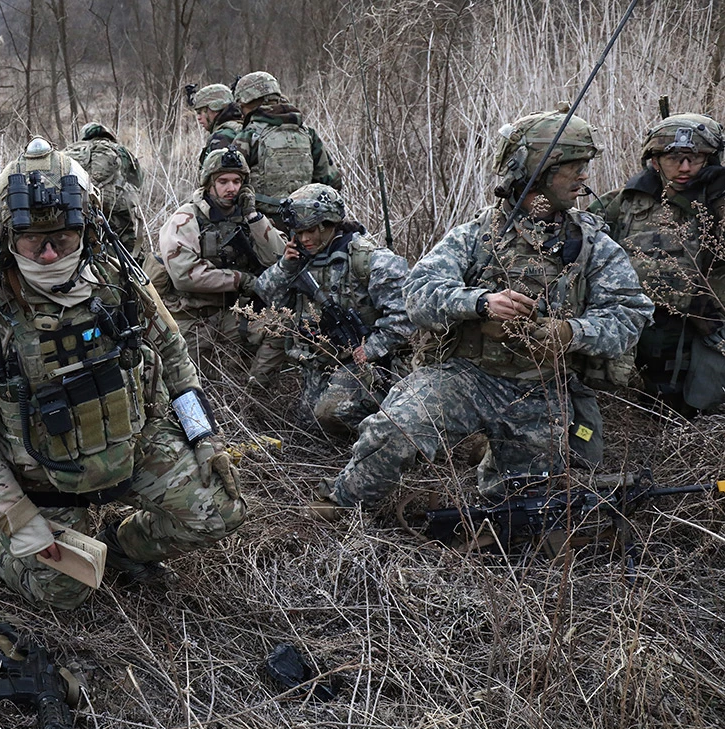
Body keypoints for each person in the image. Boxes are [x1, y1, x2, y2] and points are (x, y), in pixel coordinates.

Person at [0, 138, 244, 610]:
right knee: (67, 592)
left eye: (62, 239)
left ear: (88, 230)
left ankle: (122, 548)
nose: (46, 254)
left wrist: (204, 437)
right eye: (31, 241)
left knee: (221, 512)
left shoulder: (120, 280)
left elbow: (176, 357)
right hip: (40, 476)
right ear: (6, 236)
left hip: (134, 445)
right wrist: (14, 516)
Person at [311, 109, 653, 515]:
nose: (583, 178)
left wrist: (569, 332)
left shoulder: (593, 244)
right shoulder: (478, 235)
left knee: (526, 507)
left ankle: (489, 469)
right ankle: (341, 503)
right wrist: (480, 303)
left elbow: (630, 315)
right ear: (537, 172)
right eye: (573, 168)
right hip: (468, 378)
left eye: (585, 167)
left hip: (541, 389)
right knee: (396, 429)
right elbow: (418, 293)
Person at [589, 113, 725, 413]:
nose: (685, 167)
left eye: (696, 158)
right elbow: (584, 247)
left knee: (702, 404)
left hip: (701, 331)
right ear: (654, 160)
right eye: (674, 158)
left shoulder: (717, 201)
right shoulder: (624, 202)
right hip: (638, 329)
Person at [254, 183, 414, 436]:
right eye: (299, 232)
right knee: (309, 429)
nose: (305, 239)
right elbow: (266, 294)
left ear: (329, 224)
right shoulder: (300, 258)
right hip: (322, 360)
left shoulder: (368, 259)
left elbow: (407, 313)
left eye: (311, 231)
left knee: (331, 414)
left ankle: (387, 430)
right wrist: (285, 266)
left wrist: (372, 348)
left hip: (370, 362)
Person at [155, 147, 287, 380]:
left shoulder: (248, 215)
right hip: (192, 317)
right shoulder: (186, 218)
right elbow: (184, 274)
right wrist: (241, 280)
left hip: (232, 315)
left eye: (237, 181)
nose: (232, 188)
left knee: (281, 327)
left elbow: (279, 260)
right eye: (223, 181)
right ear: (209, 184)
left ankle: (254, 393)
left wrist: (254, 218)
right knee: (183, 382)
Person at [232, 71, 342, 229]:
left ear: (246, 102)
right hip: (306, 225)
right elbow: (331, 181)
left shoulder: (248, 136)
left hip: (264, 227)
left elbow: (231, 184)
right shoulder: (307, 132)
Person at [64, 122, 147, 258]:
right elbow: (137, 180)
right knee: (128, 251)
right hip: (114, 207)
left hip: (77, 206)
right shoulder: (120, 150)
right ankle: (132, 267)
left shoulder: (69, 151)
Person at [188, 83, 242, 168]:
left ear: (215, 108)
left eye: (200, 112)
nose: (198, 118)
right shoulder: (240, 127)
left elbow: (219, 178)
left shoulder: (222, 136)